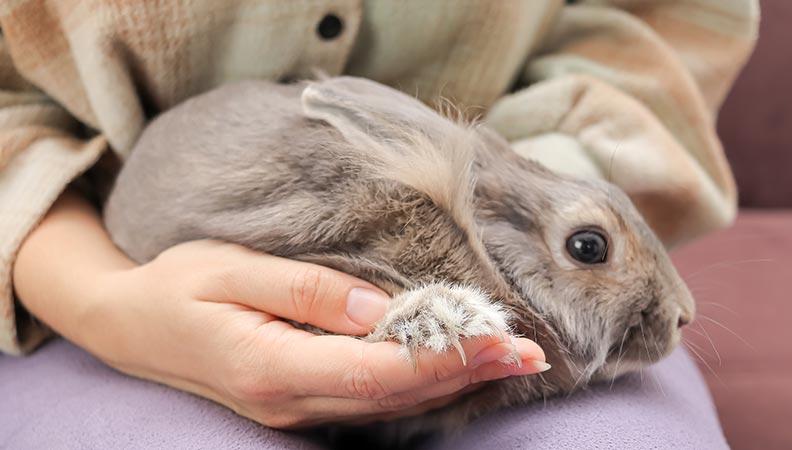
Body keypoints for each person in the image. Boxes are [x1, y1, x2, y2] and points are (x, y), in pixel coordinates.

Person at [0, 0, 757, 430]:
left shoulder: (509, 204)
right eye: (589, 247)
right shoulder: (399, 195)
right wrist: (104, 303)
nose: (683, 309)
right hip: (100, 283)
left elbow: (661, 36)